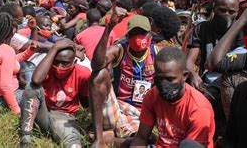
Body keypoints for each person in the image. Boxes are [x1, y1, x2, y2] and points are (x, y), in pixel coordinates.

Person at [90, 10, 159, 146]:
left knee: (147, 139)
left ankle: (109, 137)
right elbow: (96, 64)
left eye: (142, 33)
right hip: (118, 106)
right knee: (98, 75)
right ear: (127, 36)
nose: (138, 38)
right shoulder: (119, 50)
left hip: (140, 112)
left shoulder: (157, 53)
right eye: (134, 33)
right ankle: (99, 138)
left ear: (150, 35)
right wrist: (109, 28)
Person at [127, 47, 216, 147]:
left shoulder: (199, 109)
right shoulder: (152, 96)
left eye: (170, 79)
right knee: (129, 143)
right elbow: (141, 138)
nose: (164, 84)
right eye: (159, 78)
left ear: (185, 76)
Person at [205, 7, 247, 119]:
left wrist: (239, 22)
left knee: (229, 77)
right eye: (245, 33)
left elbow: (213, 63)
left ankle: (234, 127)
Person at [19, 39, 91, 147]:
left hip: (64, 117)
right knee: (32, 88)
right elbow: (36, 80)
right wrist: (54, 48)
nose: (59, 67)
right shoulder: (46, 68)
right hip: (43, 113)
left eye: (65, 64)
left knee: (73, 143)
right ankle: (25, 138)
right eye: (56, 62)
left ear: (74, 62)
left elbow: (85, 103)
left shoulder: (83, 74)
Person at [0, 12, 37, 113]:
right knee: (38, 92)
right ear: (9, 33)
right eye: (13, 34)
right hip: (3, 99)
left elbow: (12, 60)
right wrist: (16, 110)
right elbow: (5, 85)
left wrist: (30, 51)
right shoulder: (6, 50)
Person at [186, 0, 241, 90]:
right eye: (222, 10)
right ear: (214, 8)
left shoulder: (240, 31)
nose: (226, 14)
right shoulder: (202, 28)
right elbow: (189, 61)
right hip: (206, 81)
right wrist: (193, 75)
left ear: (237, 13)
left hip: (230, 82)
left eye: (231, 12)